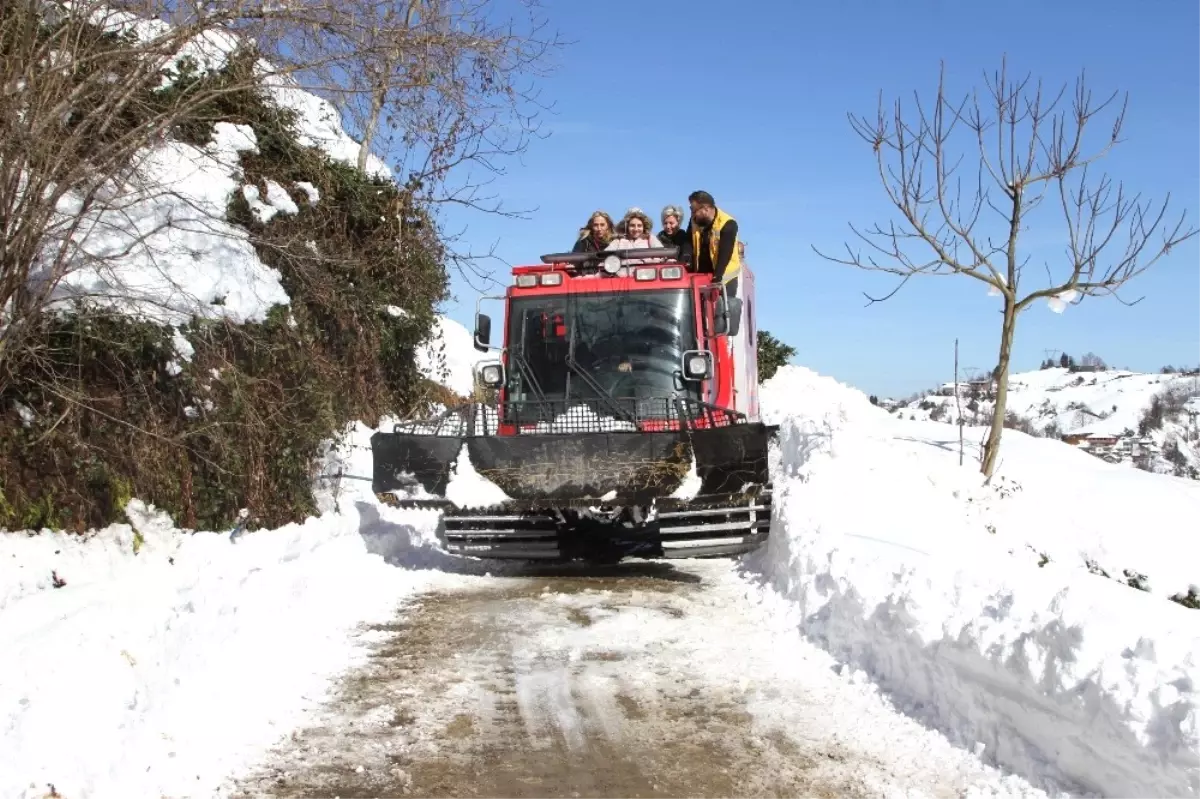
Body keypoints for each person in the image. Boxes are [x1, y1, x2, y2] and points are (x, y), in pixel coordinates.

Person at [685, 190, 742, 297]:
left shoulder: (728, 224)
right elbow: (688, 243)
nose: (692, 214)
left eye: (693, 210)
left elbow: (725, 254)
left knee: (722, 310)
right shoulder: (694, 220)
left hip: (725, 277)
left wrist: (717, 278)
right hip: (701, 276)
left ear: (705, 209)